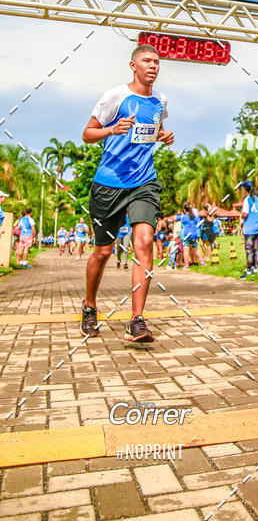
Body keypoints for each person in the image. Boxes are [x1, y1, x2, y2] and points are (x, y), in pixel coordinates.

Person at [80, 44, 173, 343]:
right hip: (109, 184)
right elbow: (87, 134)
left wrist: (164, 135)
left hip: (144, 182)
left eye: (156, 62)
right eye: (146, 61)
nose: (153, 66)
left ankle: (137, 320)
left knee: (144, 242)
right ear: (133, 65)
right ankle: (89, 305)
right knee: (103, 252)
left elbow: (154, 130)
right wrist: (111, 130)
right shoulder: (115, 96)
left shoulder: (160, 101)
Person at [240, 181, 258, 278]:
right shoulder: (257, 199)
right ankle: (257, 269)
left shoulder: (247, 200)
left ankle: (249, 270)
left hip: (250, 229)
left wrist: (242, 215)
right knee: (257, 250)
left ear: (245, 190)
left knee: (249, 250)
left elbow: (245, 214)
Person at [179, 202, 199, 271]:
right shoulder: (194, 216)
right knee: (196, 249)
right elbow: (196, 222)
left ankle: (186, 265)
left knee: (186, 250)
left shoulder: (183, 217)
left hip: (187, 235)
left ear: (184, 209)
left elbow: (181, 223)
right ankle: (202, 262)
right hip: (194, 235)